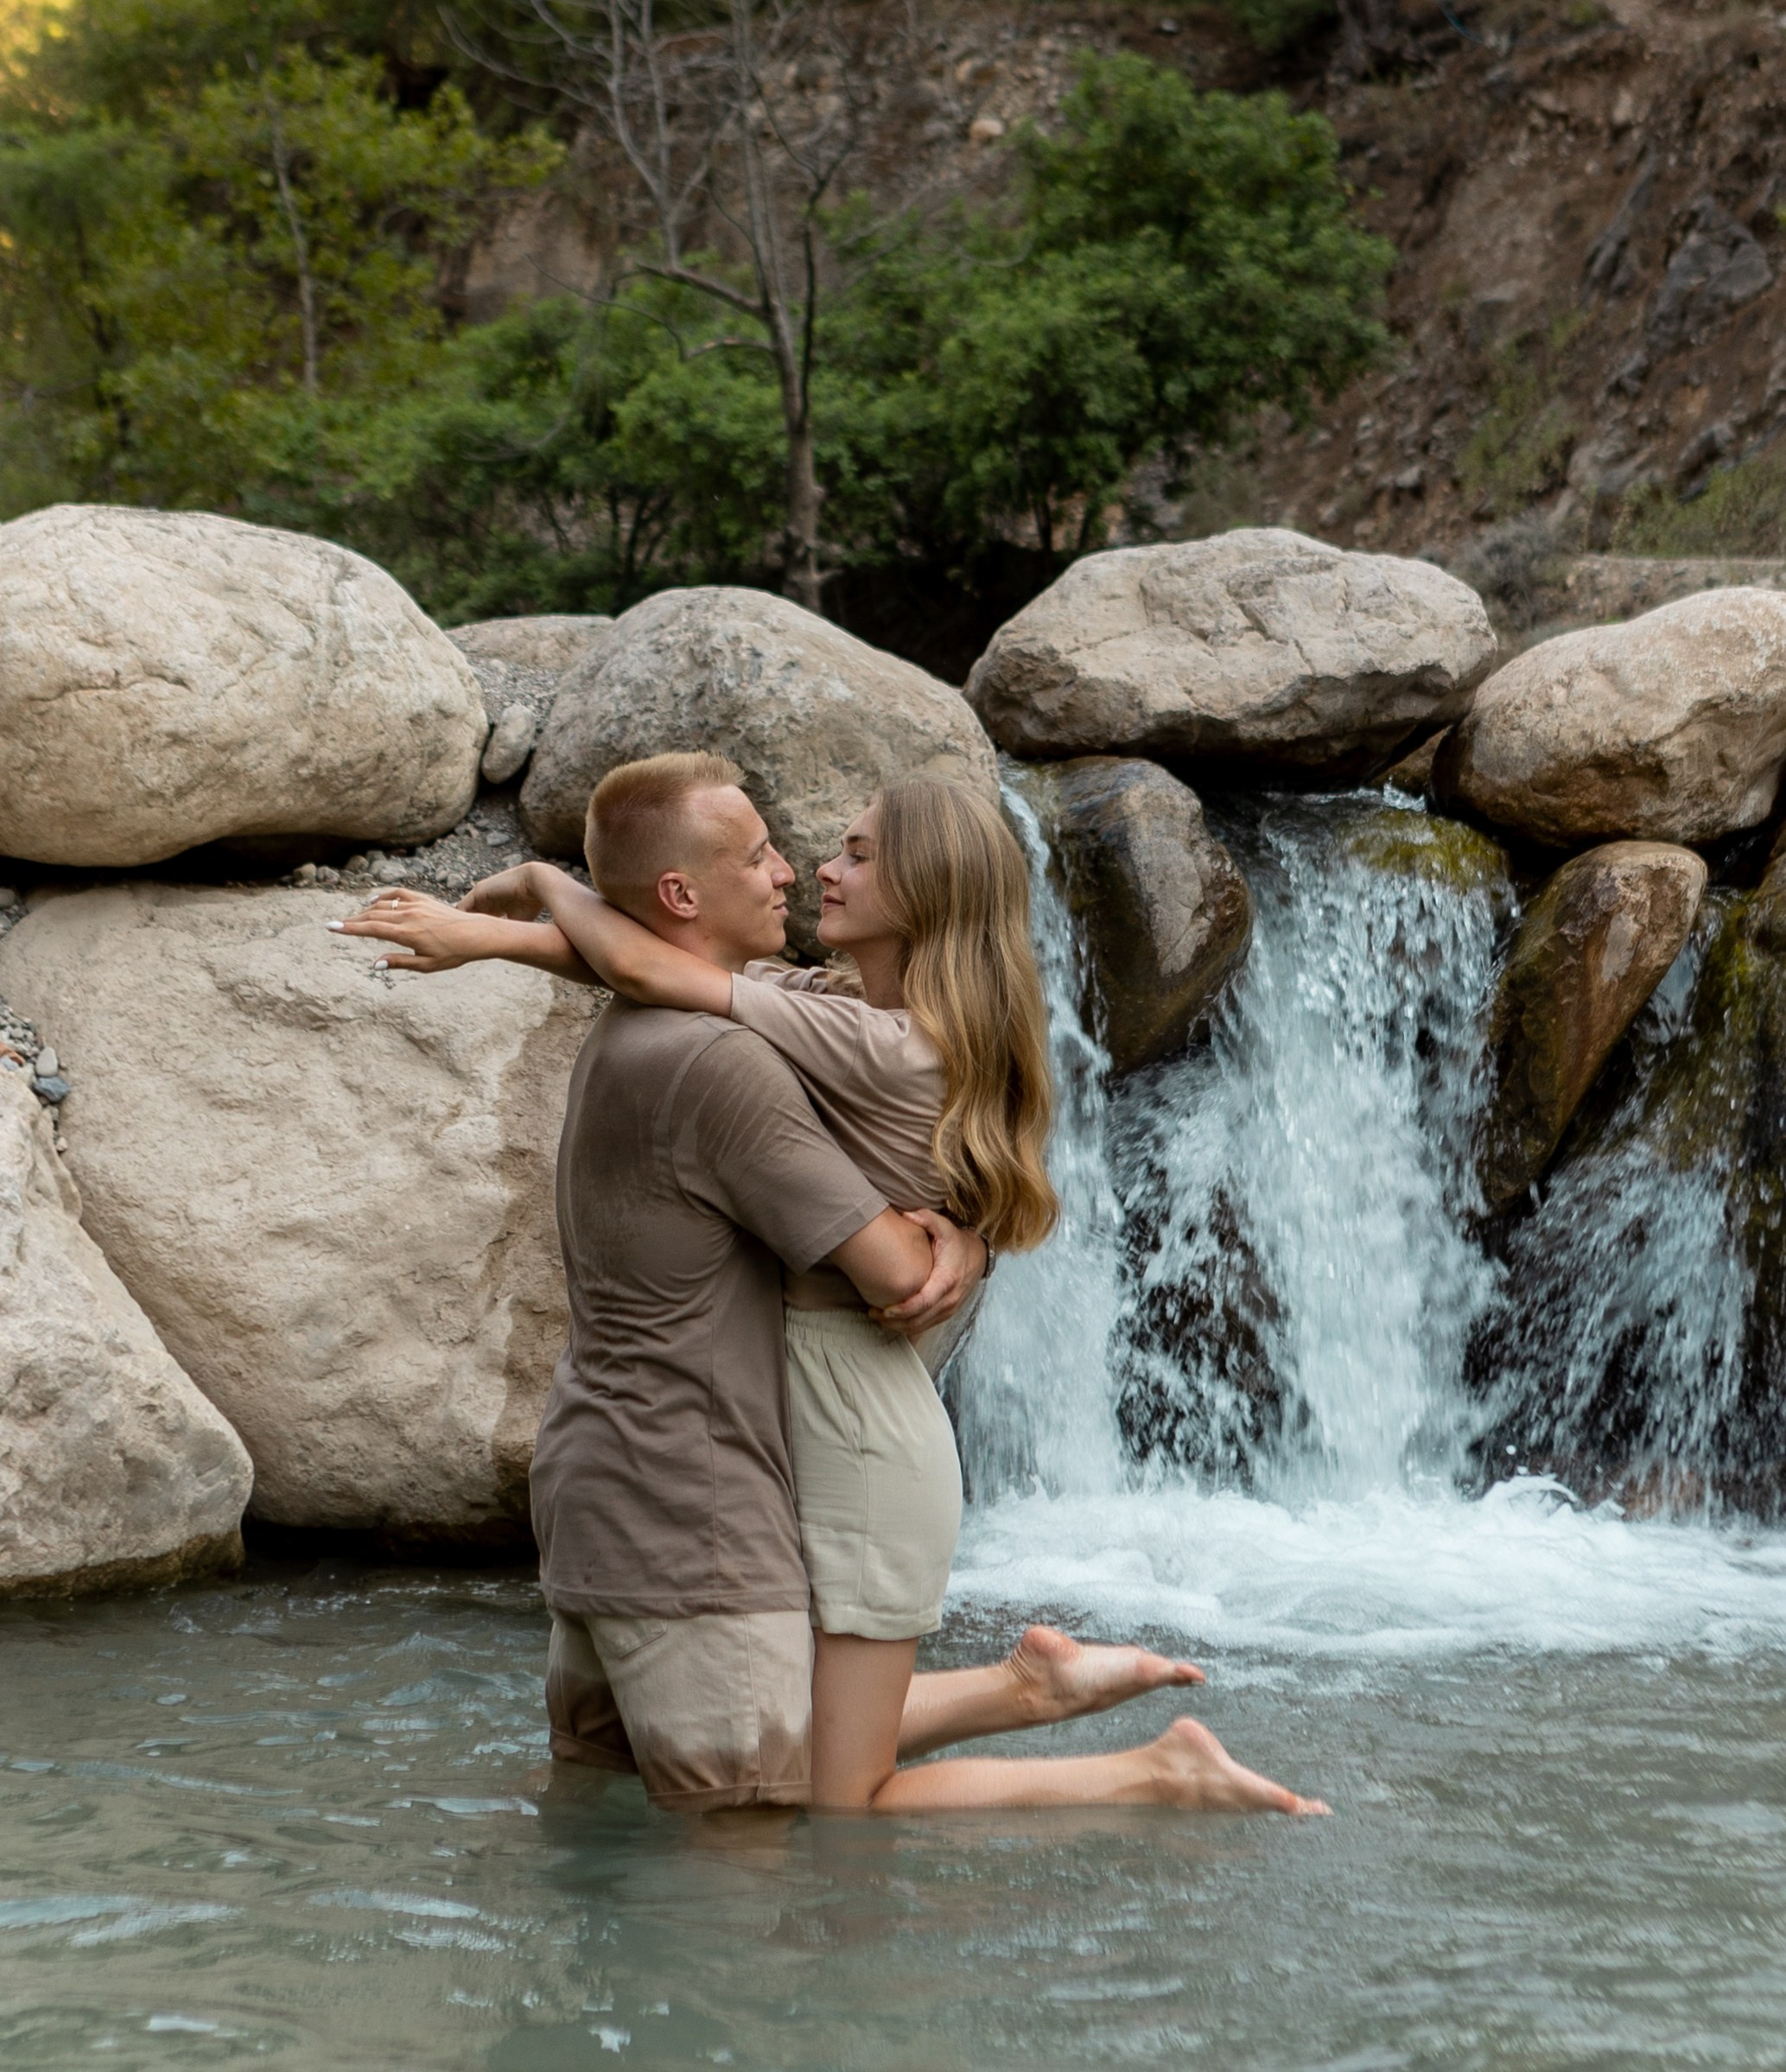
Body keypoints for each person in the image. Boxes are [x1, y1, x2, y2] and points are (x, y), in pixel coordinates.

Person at [338, 753, 1326, 1819]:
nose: (812, 867)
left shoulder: (878, 1045)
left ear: (922, 897)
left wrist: (532, 891)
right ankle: (1029, 1690)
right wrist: (972, 1242)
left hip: (857, 1424)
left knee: (845, 1798)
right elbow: (640, 967)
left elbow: (657, 971)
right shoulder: (847, 1010)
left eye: (855, 854)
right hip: (833, 1408)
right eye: (796, 851)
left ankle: (1150, 1773)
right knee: (804, 1744)